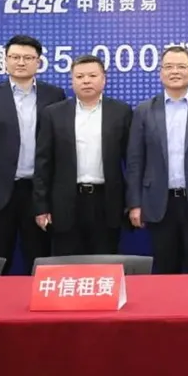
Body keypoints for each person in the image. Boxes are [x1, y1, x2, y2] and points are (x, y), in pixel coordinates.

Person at [0, 34, 66, 274]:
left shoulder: (54, 95)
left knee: (39, 258)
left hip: (39, 192)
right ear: (6, 60)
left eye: (28, 58)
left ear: (38, 62)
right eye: (15, 57)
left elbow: (60, 145)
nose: (21, 62)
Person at [126, 46, 188, 274]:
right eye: (169, 67)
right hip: (158, 201)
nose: (175, 72)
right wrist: (135, 204)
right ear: (160, 72)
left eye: (181, 66)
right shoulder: (144, 110)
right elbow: (135, 160)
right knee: (165, 270)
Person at [33, 55, 132, 256]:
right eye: (79, 76)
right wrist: (41, 207)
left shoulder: (121, 112)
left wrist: (132, 204)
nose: (86, 81)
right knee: (67, 264)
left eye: (92, 76)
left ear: (104, 79)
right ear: (72, 81)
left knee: (105, 262)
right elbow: (43, 163)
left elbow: (132, 161)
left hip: (106, 202)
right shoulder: (53, 114)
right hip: (65, 203)